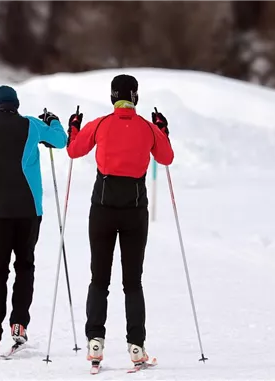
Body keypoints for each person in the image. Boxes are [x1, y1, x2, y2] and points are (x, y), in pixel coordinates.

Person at [65, 74, 173, 366]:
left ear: (113, 97)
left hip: (102, 208)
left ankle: (95, 342)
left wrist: (73, 128)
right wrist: (163, 129)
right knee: (132, 282)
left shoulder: (100, 124)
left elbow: (74, 150)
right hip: (135, 210)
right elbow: (166, 157)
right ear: (135, 97)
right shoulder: (148, 129)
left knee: (99, 278)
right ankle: (136, 346)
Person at [0, 85, 68, 355]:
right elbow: (60, 140)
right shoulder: (32, 126)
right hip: (29, 210)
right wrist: (52, 120)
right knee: (25, 266)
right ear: (17, 104)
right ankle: (19, 323)